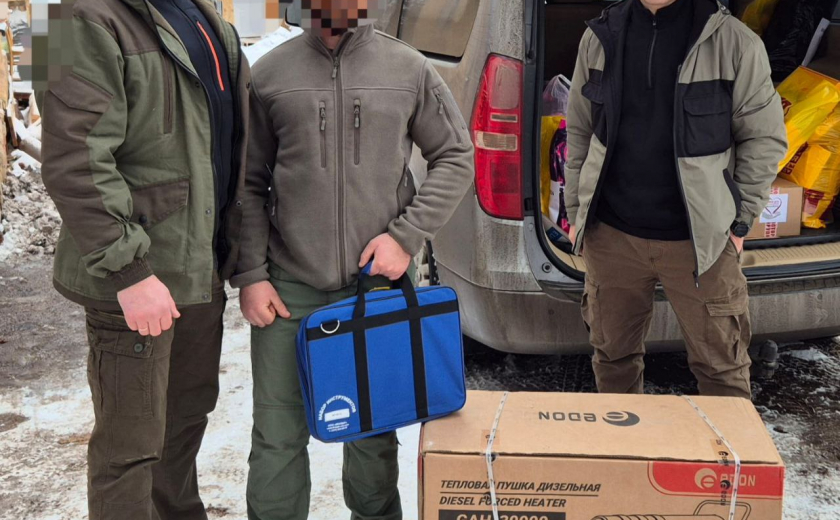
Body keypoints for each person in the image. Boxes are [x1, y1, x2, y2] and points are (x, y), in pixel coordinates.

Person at [230, 1, 474, 518]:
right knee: (277, 434)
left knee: (373, 435)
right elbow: (247, 183)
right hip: (288, 287)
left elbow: (455, 156)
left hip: (376, 284)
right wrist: (251, 274)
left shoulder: (408, 68)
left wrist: (404, 237)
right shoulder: (269, 74)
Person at [40, 0, 248, 518]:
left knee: (182, 429)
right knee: (129, 450)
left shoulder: (203, 16)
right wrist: (129, 272)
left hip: (197, 269)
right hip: (137, 280)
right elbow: (72, 158)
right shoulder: (73, 16)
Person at [565, 0, 787, 399]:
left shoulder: (735, 44)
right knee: (613, 360)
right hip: (612, 238)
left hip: (701, 245)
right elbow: (580, 131)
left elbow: (764, 139)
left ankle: (725, 445)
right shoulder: (599, 38)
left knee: (723, 371)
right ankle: (626, 441)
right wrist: (577, 213)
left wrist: (739, 223)